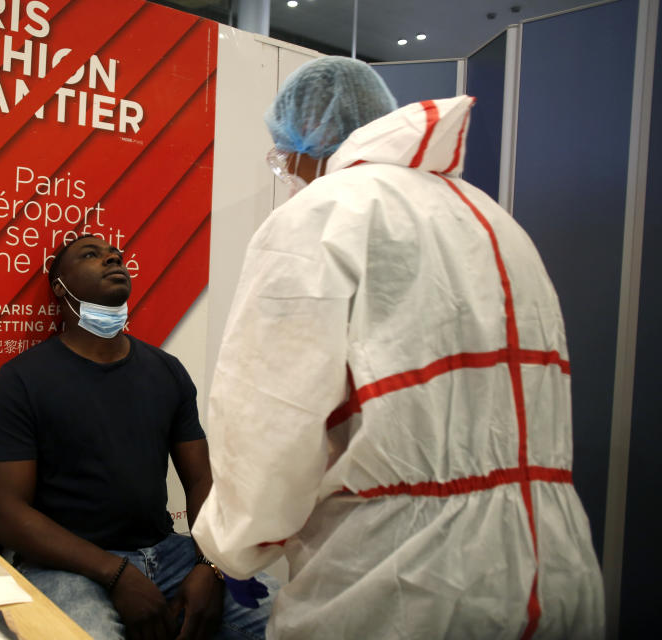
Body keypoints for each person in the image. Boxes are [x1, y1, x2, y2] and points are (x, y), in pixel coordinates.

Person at [191, 56, 605, 639]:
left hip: (402, 580)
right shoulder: (490, 216)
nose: (288, 169)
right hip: (550, 560)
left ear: (310, 142)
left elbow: (268, 419)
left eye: (284, 154)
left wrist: (228, 547)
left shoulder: (322, 213)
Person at [0, 234, 276, 640]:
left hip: (166, 551)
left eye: (115, 255)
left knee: (290, 616)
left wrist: (211, 566)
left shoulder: (166, 370)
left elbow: (200, 481)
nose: (111, 260)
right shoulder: (22, 380)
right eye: (92, 255)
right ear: (60, 287)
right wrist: (115, 573)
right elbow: (5, 513)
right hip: (67, 564)